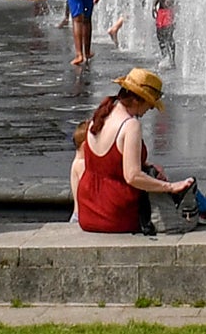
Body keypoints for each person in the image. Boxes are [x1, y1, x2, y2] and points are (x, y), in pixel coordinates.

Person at [72, 67, 174, 234]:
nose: (150, 109)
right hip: (115, 214)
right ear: (136, 100)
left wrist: (146, 165)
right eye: (150, 104)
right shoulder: (130, 125)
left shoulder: (100, 116)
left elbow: (108, 162)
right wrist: (169, 186)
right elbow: (132, 176)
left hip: (88, 211)